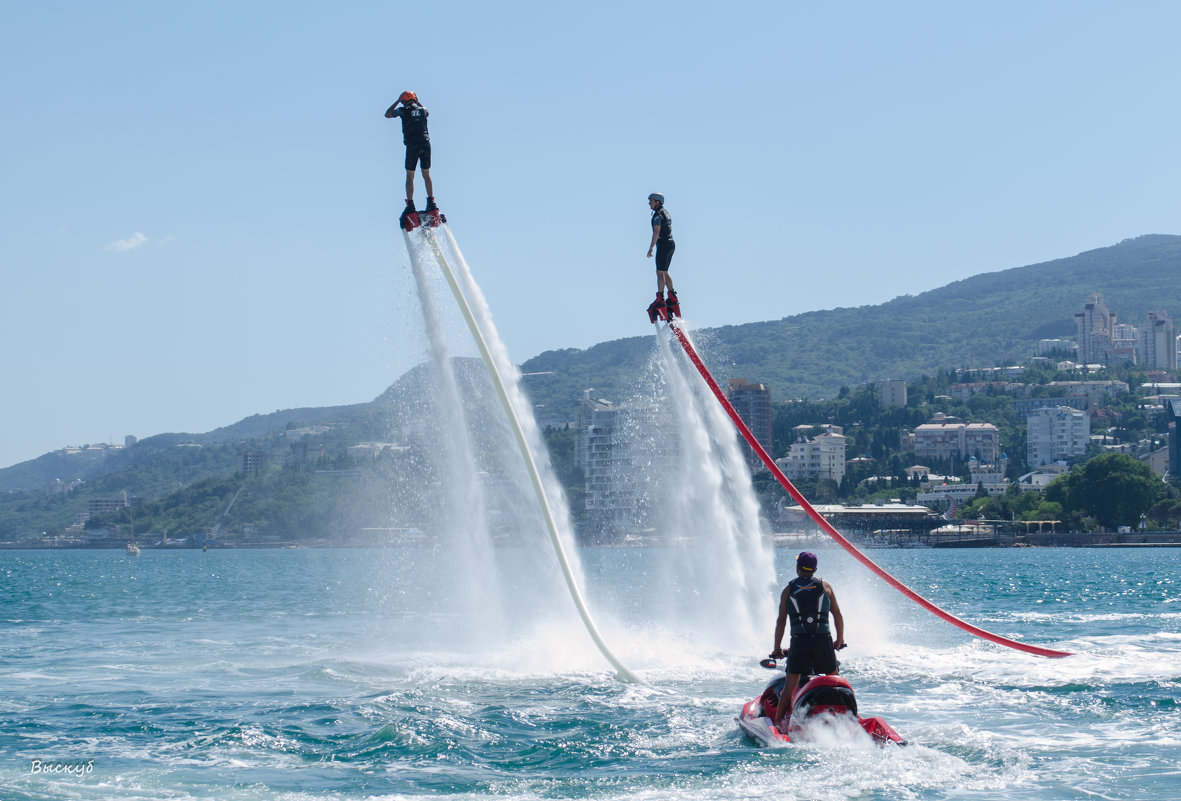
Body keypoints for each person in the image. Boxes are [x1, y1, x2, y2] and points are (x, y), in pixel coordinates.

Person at [770, 551, 845, 733]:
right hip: (823, 642)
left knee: (789, 687)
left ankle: (779, 729)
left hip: (799, 643)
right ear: (815, 569)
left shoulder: (788, 590)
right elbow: (837, 614)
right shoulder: (825, 586)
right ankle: (849, 720)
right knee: (837, 682)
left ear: (798, 568)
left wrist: (777, 648)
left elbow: (781, 621)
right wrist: (839, 640)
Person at [385, 91, 436, 218]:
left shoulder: (403, 110)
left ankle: (410, 204)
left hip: (412, 146)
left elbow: (387, 114)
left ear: (403, 101)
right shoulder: (423, 110)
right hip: (425, 144)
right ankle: (431, 203)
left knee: (410, 175)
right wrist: (417, 101)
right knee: (426, 173)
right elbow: (426, 113)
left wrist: (397, 101)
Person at [646, 192, 679, 319]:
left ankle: (660, 298)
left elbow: (656, 232)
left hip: (664, 245)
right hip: (671, 244)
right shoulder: (665, 212)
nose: (649, 203)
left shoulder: (658, 215)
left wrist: (651, 247)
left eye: (651, 200)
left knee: (659, 273)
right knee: (664, 272)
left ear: (657, 202)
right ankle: (672, 296)